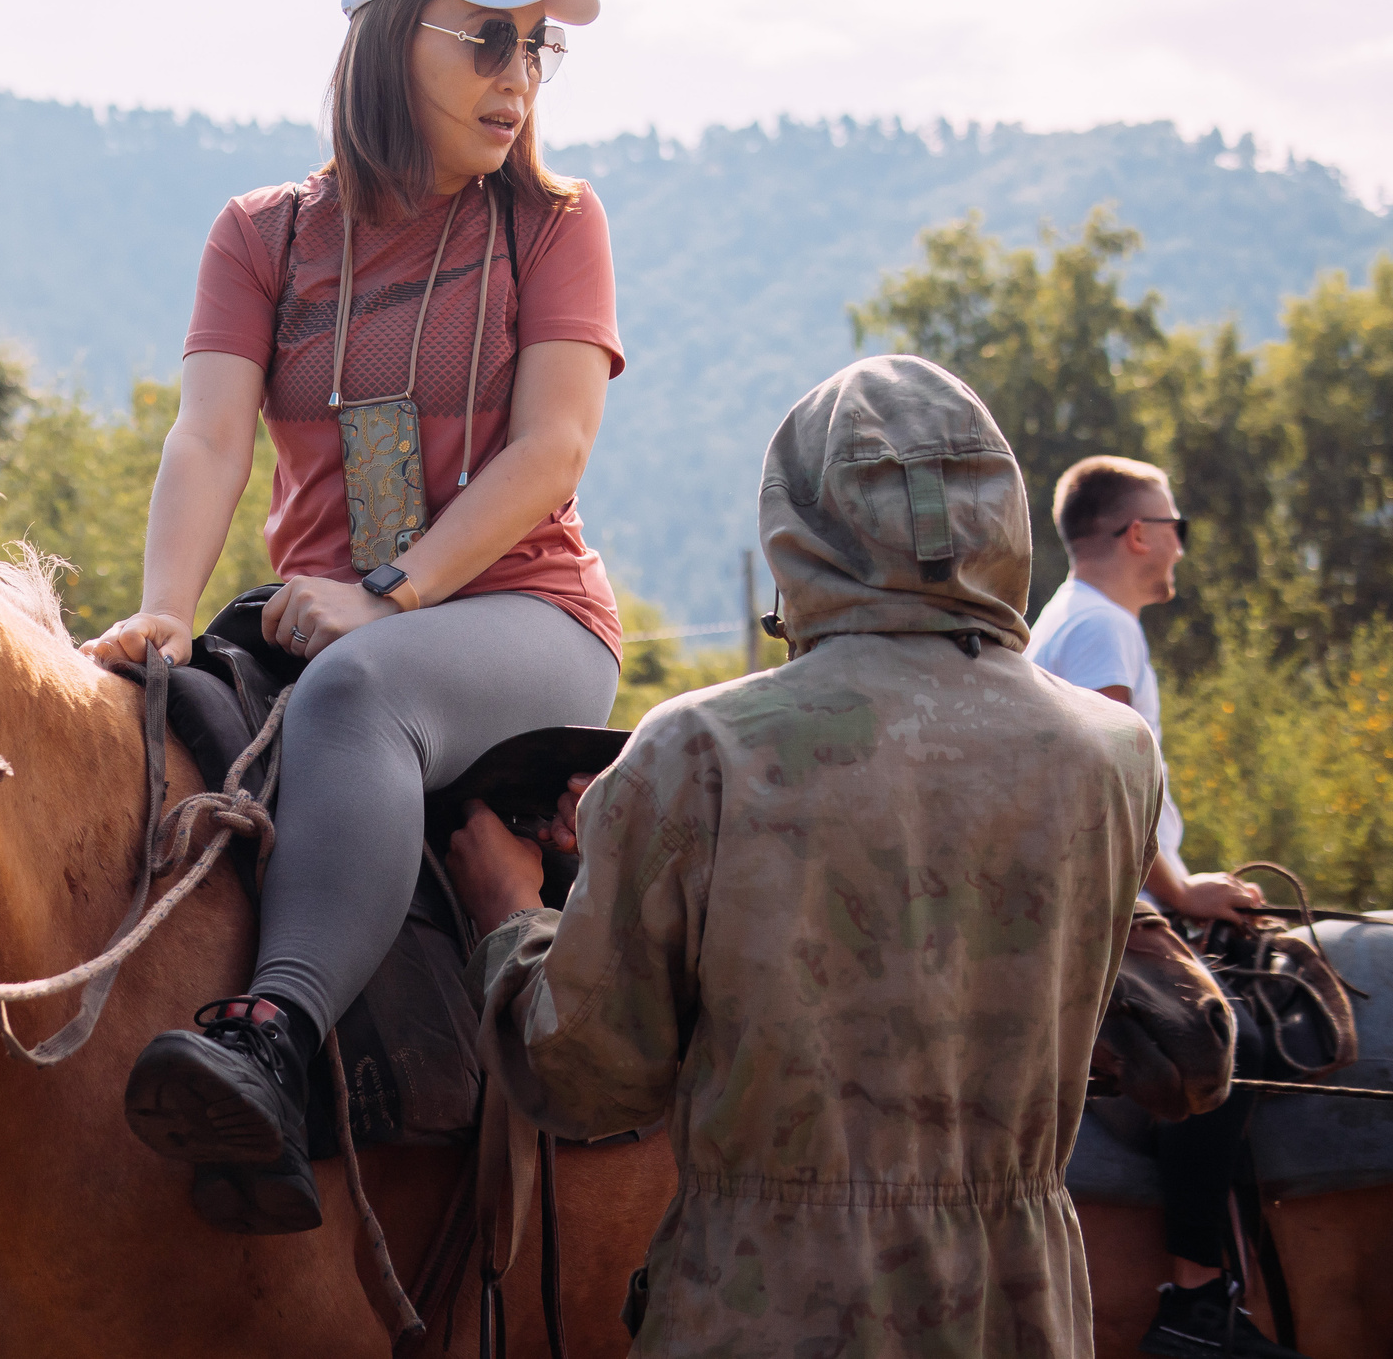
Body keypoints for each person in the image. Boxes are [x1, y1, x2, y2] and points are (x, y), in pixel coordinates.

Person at [80, 0, 626, 1235]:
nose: (517, 74)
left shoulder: (555, 225)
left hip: (520, 617)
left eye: (535, 45)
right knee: (112, 732)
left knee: (355, 699)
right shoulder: (262, 234)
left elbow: (551, 451)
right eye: (487, 37)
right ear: (392, 44)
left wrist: (389, 593)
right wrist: (159, 610)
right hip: (326, 614)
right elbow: (211, 436)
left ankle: (271, 1034)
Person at [448, 355, 1162, 1355]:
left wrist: (510, 917)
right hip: (1021, 1314)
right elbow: (1188, 1055)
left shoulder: (699, 749)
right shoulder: (1114, 754)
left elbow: (586, 1081)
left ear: (798, 529)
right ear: (1001, 514)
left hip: (764, 1313)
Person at [1028, 456, 1295, 1359]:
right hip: (1107, 910)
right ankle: (1195, 1301)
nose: (1180, 538)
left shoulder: (1079, 620)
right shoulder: (1100, 631)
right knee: (1229, 1044)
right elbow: (1111, 786)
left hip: (1120, 894)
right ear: (1138, 533)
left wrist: (1185, 882)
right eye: (1173, 521)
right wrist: (1178, 891)